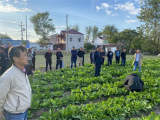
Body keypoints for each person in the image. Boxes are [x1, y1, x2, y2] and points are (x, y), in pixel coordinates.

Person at [0, 46, 31, 120]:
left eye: (27, 55)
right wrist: (1, 111)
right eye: (24, 55)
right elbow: (1, 96)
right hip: (14, 115)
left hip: (24, 111)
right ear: (15, 58)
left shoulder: (23, 71)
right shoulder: (8, 76)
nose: (27, 57)